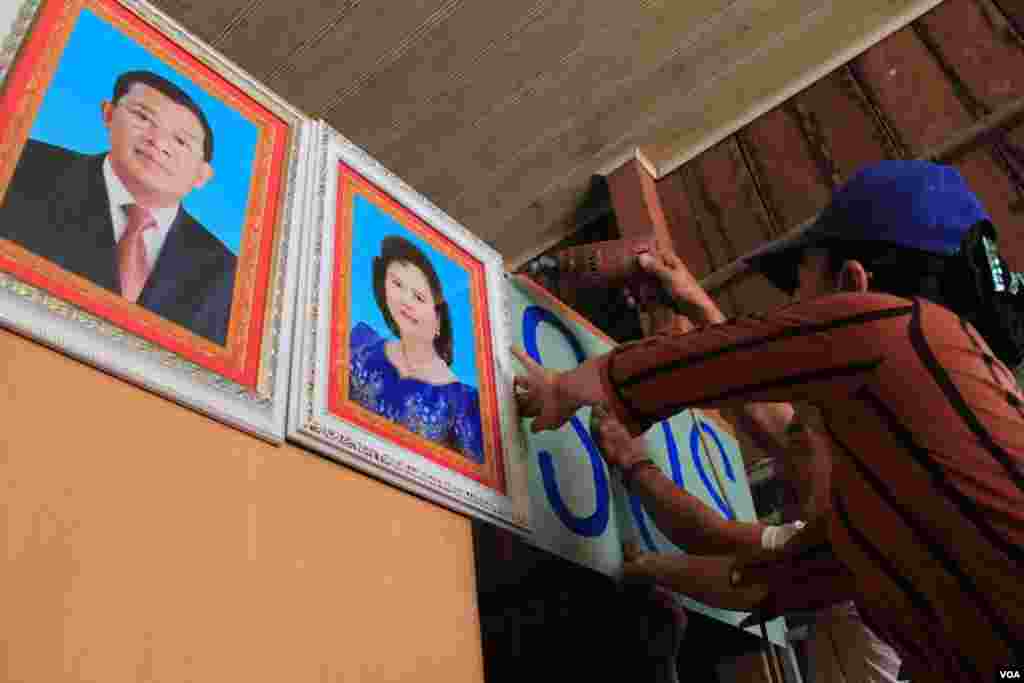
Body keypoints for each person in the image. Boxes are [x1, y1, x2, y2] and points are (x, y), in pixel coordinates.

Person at [512, 160, 1024, 681]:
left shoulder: (907, 333)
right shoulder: (885, 498)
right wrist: (645, 565)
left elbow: (728, 362)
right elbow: (763, 578)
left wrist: (565, 388)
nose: (794, 309)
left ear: (852, 287)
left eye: (798, 293)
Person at [0, 70, 236, 346]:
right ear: (108, 114)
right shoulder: (20, 165)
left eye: (181, 141)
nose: (157, 143)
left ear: (202, 175)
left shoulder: (225, 274)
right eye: (143, 117)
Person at [349, 235, 485, 464]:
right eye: (397, 284)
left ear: (439, 319)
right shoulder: (361, 343)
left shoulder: (464, 403)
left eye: (419, 297)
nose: (405, 301)